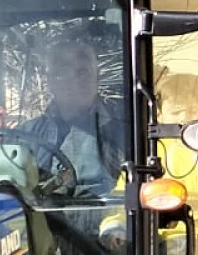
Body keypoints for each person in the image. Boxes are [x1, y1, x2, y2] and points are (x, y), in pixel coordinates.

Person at [19, 38, 127, 196]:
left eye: (82, 71)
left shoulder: (126, 137)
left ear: (97, 76)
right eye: (62, 71)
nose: (73, 78)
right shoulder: (24, 137)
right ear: (49, 79)